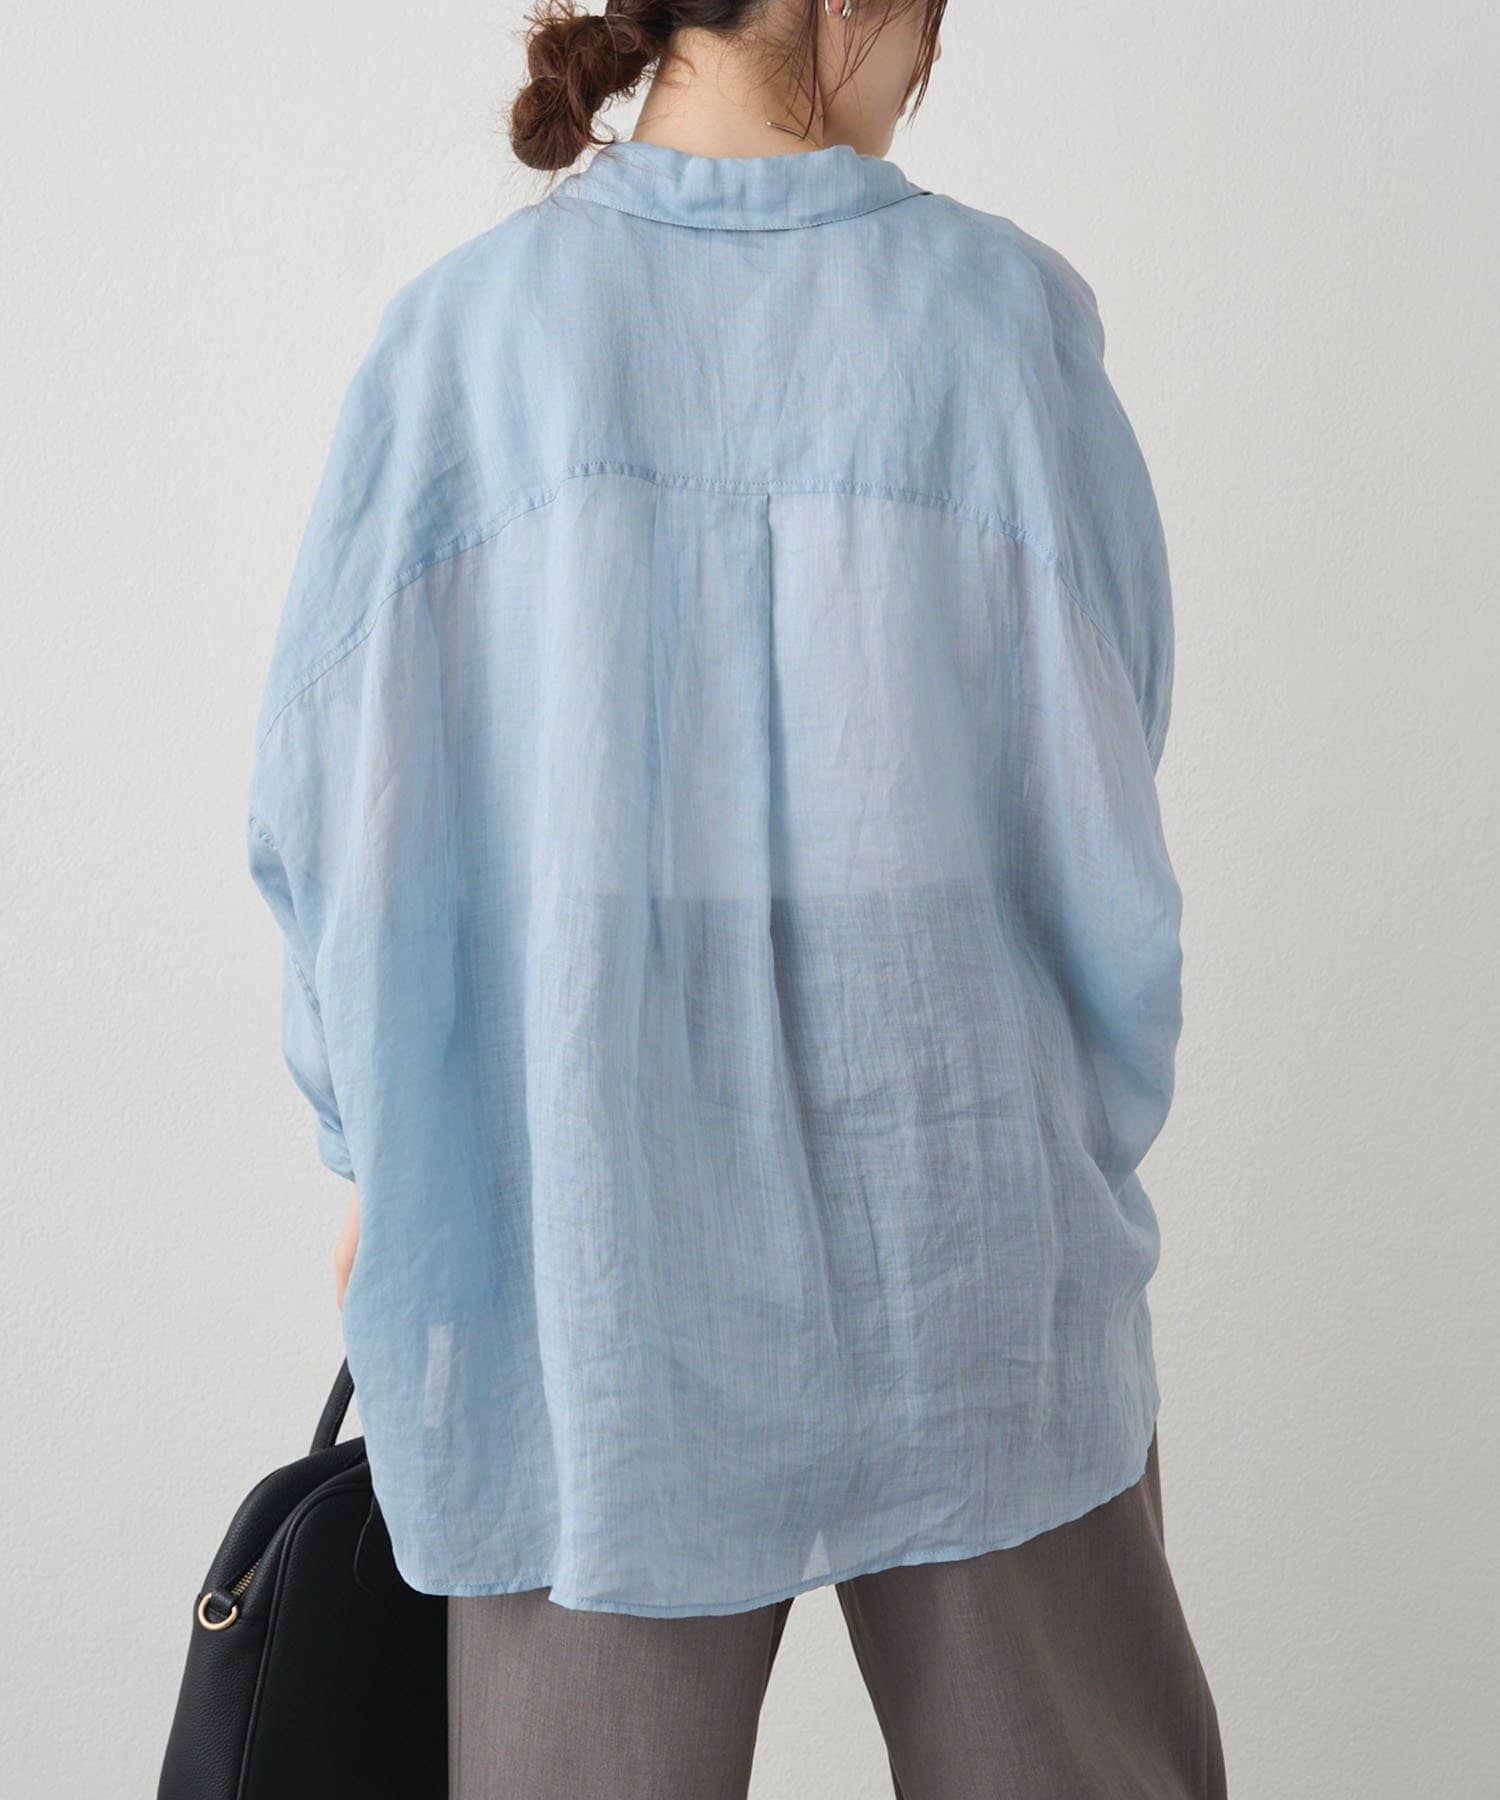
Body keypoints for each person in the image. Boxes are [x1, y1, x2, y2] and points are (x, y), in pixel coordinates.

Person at [247, 0, 1226, 1792]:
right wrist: (1089, 1128)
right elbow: (1103, 801)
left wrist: (373, 1148)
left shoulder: (468, 339)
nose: (927, 62)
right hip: (969, 1202)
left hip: (587, 1227)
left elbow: (347, 816)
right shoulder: (1001, 322)